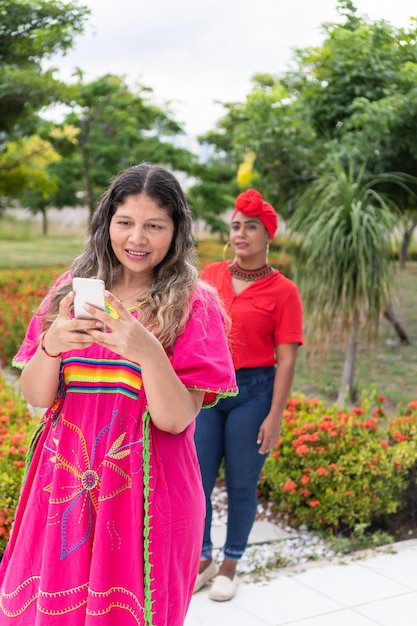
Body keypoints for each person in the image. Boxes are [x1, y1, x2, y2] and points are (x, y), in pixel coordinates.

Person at [0, 163, 237, 626]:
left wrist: (148, 353)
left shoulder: (195, 303)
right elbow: (36, 395)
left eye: (154, 225)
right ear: (107, 221)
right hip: (63, 489)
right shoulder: (73, 290)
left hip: (148, 497)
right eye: (125, 222)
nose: (138, 238)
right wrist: (53, 345)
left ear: (177, 230)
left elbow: (175, 419)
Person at [194, 188, 303, 601]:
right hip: (207, 392)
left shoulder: (284, 291)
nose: (241, 234)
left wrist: (275, 414)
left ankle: (230, 565)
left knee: (241, 484)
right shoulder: (210, 276)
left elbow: (287, 360)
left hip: (254, 393)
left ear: (267, 235)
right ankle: (202, 559)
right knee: (197, 480)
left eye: (251, 227)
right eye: (236, 226)